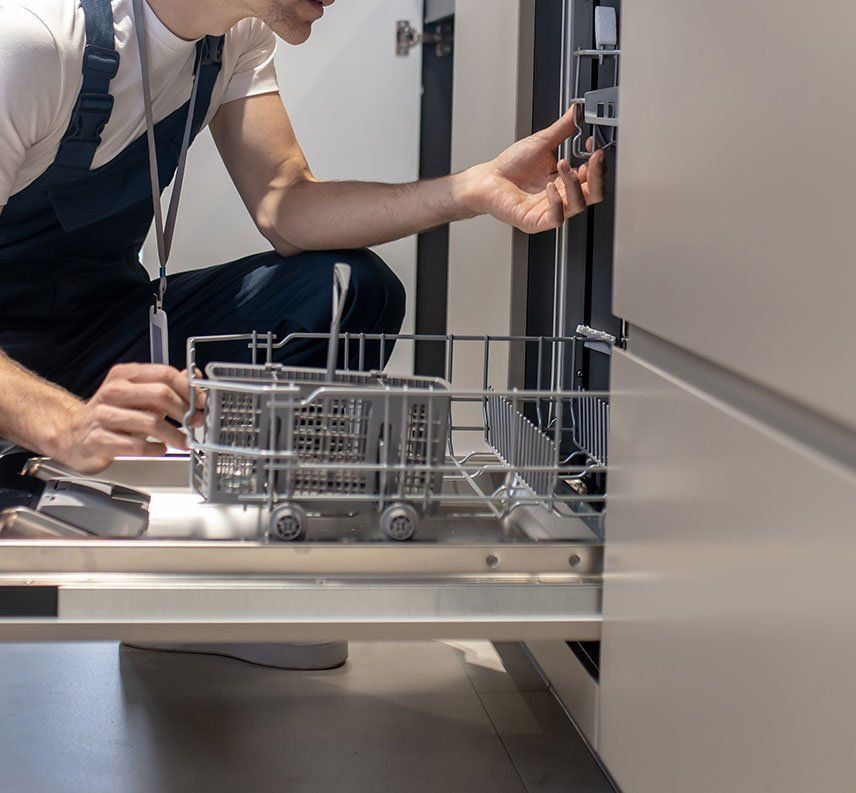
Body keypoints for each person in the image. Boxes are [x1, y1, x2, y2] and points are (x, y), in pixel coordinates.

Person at [0, 0, 605, 669]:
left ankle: (218, 588)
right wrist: (62, 424)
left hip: (102, 333)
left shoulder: (232, 38)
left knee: (351, 288)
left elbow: (287, 205)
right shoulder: (32, 43)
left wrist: (473, 189)